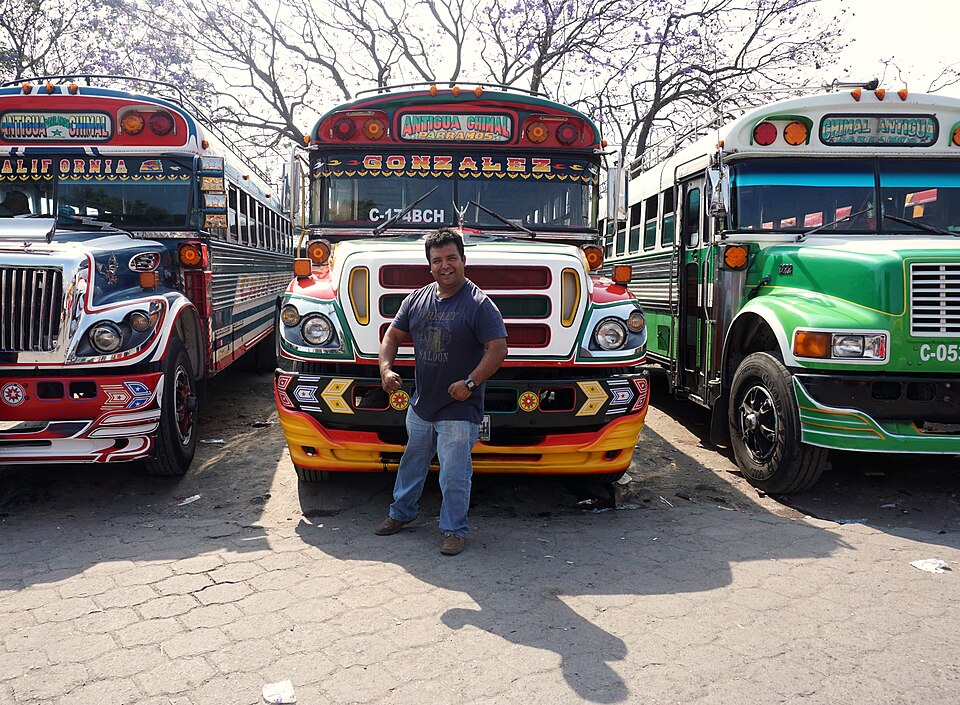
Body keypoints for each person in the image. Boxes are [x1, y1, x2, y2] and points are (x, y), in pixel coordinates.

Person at [376, 228, 508, 556]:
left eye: (451, 258)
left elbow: (498, 349)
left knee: (453, 472)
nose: (444, 265)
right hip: (422, 404)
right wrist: (385, 368)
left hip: (460, 407)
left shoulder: (479, 304)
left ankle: (453, 530)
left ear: (464, 260)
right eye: (437, 260)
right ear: (429, 266)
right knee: (413, 461)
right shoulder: (416, 299)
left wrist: (470, 383)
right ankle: (401, 514)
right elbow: (391, 337)